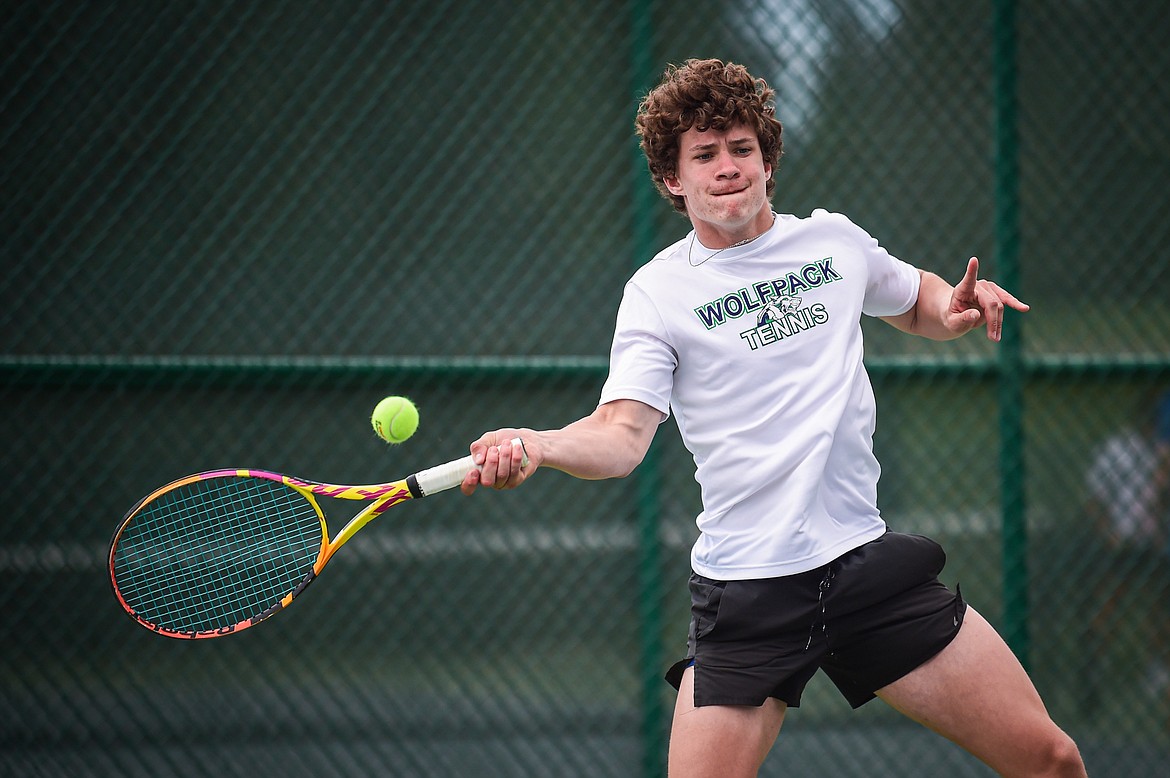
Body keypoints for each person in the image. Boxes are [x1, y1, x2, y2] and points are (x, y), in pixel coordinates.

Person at [460, 59, 1086, 777]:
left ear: (766, 159)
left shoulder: (834, 243)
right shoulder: (657, 293)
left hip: (865, 568)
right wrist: (538, 444)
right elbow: (621, 435)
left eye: (740, 148)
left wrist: (952, 308)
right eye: (704, 154)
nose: (727, 167)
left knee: (1052, 760)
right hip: (748, 592)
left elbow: (916, 300)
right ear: (673, 179)